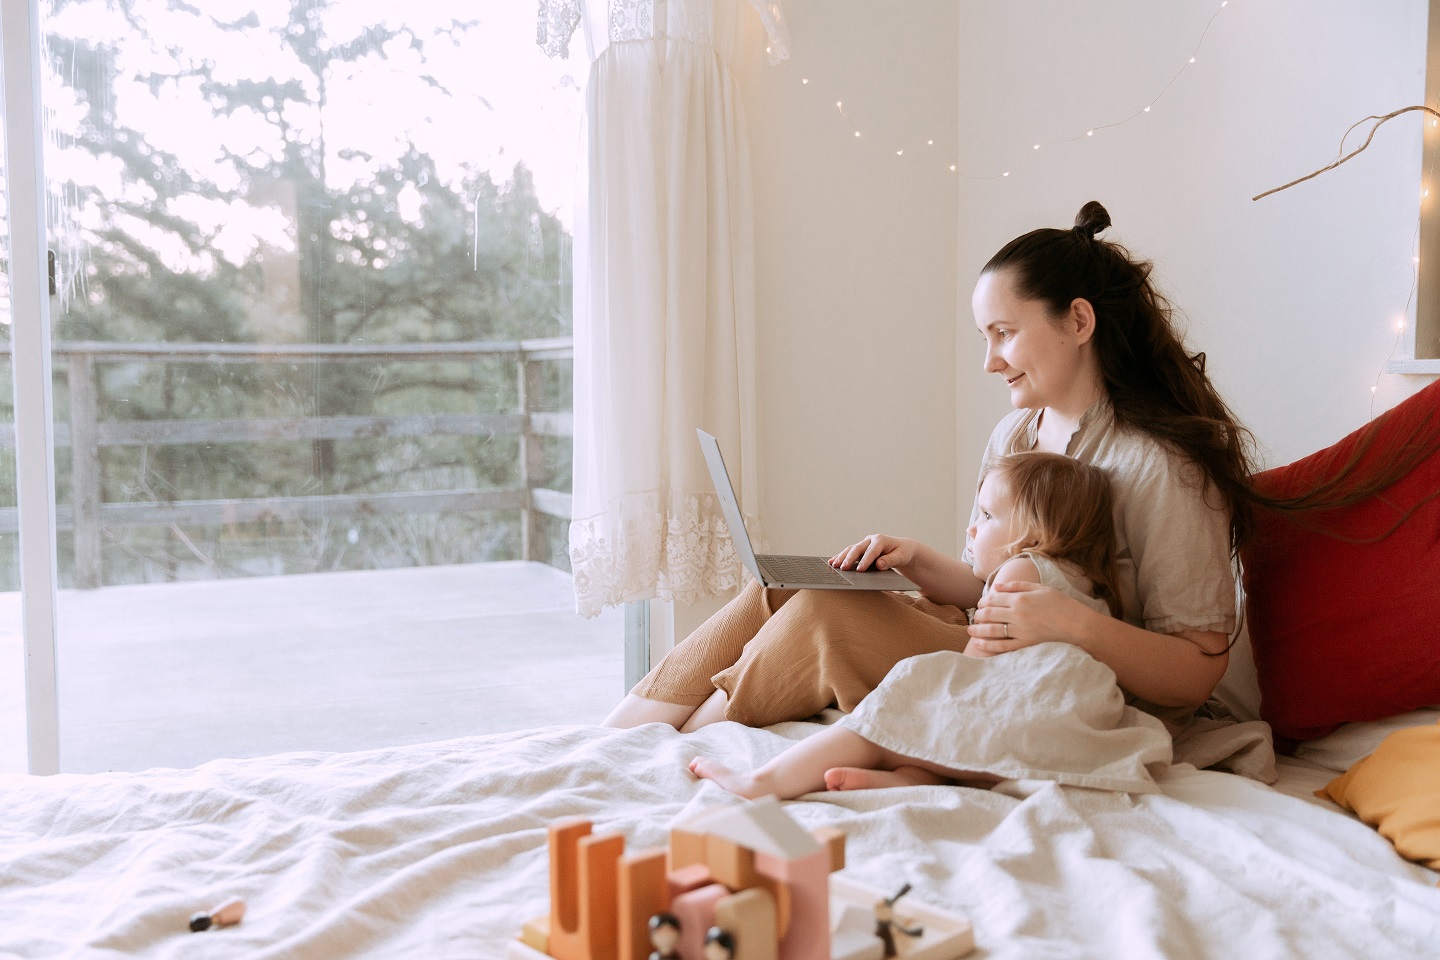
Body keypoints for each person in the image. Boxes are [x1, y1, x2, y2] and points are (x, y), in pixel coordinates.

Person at [602, 199, 1427, 736]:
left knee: (826, 618)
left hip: (1085, 688)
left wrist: (1071, 627)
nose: (991, 361)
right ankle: (628, 732)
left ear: (1078, 321)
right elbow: (1011, 584)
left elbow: (1195, 669)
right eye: (984, 339)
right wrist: (925, 564)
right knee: (782, 585)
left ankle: (681, 751)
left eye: (1002, 334)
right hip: (999, 644)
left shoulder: (1161, 469)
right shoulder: (1019, 437)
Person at [687, 450, 1122, 799]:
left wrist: (923, 697)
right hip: (1059, 722)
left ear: (1030, 539)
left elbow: (971, 672)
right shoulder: (1089, 586)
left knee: (899, 705)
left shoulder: (1018, 573)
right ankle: (917, 777)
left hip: (1019, 713)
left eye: (987, 518)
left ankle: (762, 782)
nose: (972, 529)